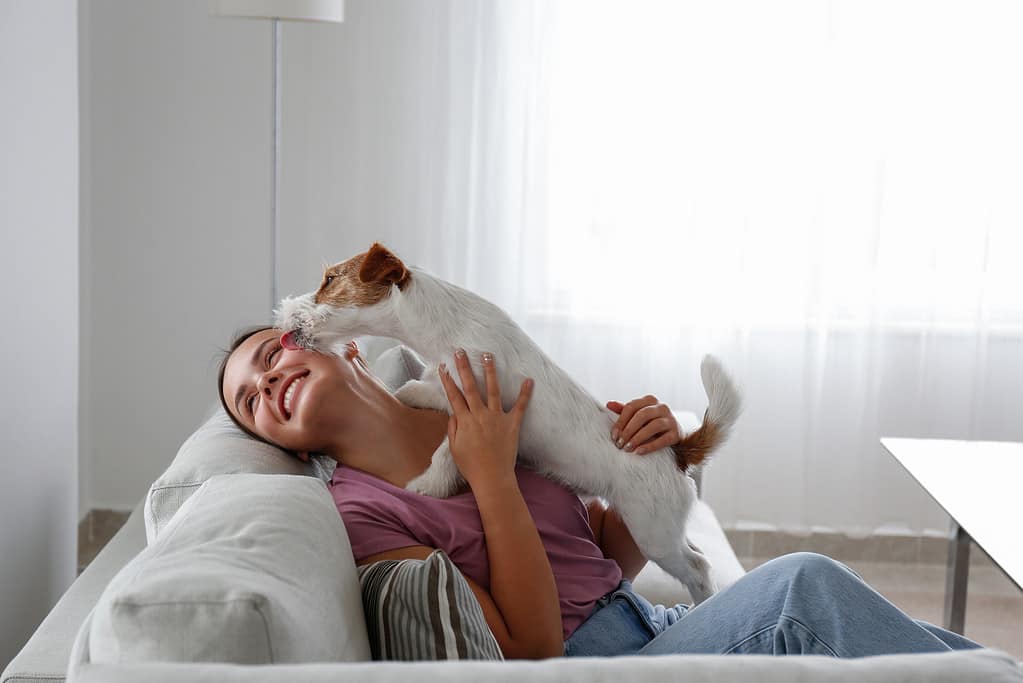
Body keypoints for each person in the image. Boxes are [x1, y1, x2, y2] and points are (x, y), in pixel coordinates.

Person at [218, 325, 983, 660]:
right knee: (801, 589)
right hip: (597, 663)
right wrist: (486, 474)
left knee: (863, 626)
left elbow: (599, 558)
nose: (266, 383)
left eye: (267, 355)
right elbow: (532, 649)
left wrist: (643, 465)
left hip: (650, 624)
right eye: (250, 400)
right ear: (278, 440)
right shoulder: (362, 512)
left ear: (335, 339)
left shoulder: (468, 400)